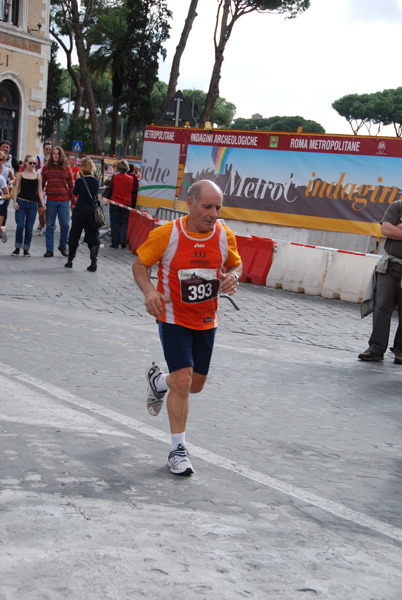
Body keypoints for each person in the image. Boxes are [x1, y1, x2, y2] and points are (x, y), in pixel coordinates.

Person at [132, 180, 242, 476]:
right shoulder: (167, 234)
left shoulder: (223, 236)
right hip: (173, 317)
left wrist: (233, 277)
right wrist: (150, 293)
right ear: (189, 204)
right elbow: (140, 265)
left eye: (218, 207)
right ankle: (177, 449)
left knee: (195, 385)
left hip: (207, 320)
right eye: (207, 206)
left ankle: (159, 382)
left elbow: (235, 265)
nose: (214, 214)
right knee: (183, 381)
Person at [359, 199, 402, 364]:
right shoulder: (397, 206)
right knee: (382, 305)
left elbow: (392, 229)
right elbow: (386, 229)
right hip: (389, 267)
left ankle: (400, 350)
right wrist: (393, 228)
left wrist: (398, 228)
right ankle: (376, 348)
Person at [65, 156, 100, 272]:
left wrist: (79, 180)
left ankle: (70, 260)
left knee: (74, 234)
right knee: (93, 235)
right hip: (92, 210)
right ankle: (93, 262)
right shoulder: (96, 181)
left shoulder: (80, 181)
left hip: (80, 209)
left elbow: (75, 193)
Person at [41, 146, 74, 257]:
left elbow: (71, 187)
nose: (55, 155)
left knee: (65, 225)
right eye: (54, 153)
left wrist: (73, 202)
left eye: (57, 154)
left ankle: (63, 246)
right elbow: (41, 185)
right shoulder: (46, 168)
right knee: (50, 225)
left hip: (64, 200)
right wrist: (40, 200)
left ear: (61, 155)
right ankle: (49, 249)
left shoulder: (67, 168)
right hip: (51, 200)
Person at [11, 155, 44, 257]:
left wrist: (42, 203)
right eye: (30, 163)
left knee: (29, 228)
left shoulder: (38, 176)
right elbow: (16, 189)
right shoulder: (20, 175)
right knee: (20, 226)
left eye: (34, 163)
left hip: (32, 204)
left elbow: (40, 190)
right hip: (21, 202)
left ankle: (26, 249)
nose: (32, 165)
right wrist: (15, 201)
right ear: (25, 163)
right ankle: (17, 248)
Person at [109, 159, 135, 249]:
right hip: (126, 203)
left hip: (115, 201)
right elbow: (131, 190)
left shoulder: (115, 177)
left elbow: (111, 187)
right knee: (124, 223)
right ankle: (122, 241)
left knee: (115, 223)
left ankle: (115, 243)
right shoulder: (131, 179)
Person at [36, 141, 52, 235]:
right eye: (46, 149)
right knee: (41, 212)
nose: (48, 151)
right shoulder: (38, 161)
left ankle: (46, 226)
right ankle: (42, 225)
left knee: (48, 212)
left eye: (50, 149)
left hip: (50, 192)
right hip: (41, 192)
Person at [0, 150, 15, 242]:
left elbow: (13, 178)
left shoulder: (6, 170)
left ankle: (1, 229)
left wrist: (9, 184)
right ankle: (2, 229)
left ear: (4, 160)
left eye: (0, 159)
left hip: (3, 197)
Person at [0, 161, 11, 243]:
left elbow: (7, 195)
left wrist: (0, 197)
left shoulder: (1, 179)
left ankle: (1, 229)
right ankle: (1, 229)